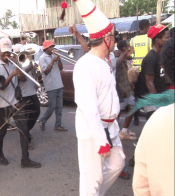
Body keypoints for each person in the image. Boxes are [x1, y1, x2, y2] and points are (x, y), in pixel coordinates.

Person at [73, 0, 125, 195]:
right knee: (91, 179)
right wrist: (100, 139)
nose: (115, 39)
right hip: (92, 130)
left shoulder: (105, 61)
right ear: (106, 39)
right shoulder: (85, 65)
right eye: (113, 36)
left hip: (110, 126)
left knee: (117, 162)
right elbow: (88, 107)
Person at [0, 37, 41, 168]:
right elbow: (1, 86)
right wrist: (12, 74)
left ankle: (25, 159)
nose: (7, 54)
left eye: (8, 51)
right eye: (4, 52)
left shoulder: (13, 63)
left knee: (23, 130)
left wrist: (18, 66)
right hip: (4, 104)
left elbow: (22, 79)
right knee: (2, 131)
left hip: (17, 103)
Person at [132, 37, 174, 196]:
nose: (167, 38)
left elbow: (141, 188)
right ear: (157, 39)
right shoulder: (150, 57)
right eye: (164, 36)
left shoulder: (159, 122)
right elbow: (149, 81)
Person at [134, 24, 170, 120]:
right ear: (158, 40)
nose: (169, 40)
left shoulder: (161, 55)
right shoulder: (151, 57)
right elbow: (149, 83)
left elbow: (163, 76)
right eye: (167, 37)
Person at [37, 40, 67, 132]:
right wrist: (53, 61)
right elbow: (45, 71)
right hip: (51, 85)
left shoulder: (54, 56)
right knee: (52, 106)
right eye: (50, 47)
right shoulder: (42, 58)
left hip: (59, 84)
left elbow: (61, 68)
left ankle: (58, 125)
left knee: (59, 107)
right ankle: (42, 120)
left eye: (53, 46)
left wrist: (59, 59)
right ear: (45, 48)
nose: (52, 48)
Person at [115, 40, 137, 140]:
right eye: (128, 46)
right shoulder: (117, 59)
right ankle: (114, 131)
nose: (130, 48)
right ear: (124, 48)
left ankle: (123, 131)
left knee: (133, 107)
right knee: (117, 112)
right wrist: (121, 89)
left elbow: (130, 57)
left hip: (127, 90)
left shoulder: (124, 58)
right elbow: (116, 77)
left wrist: (129, 84)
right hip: (121, 92)